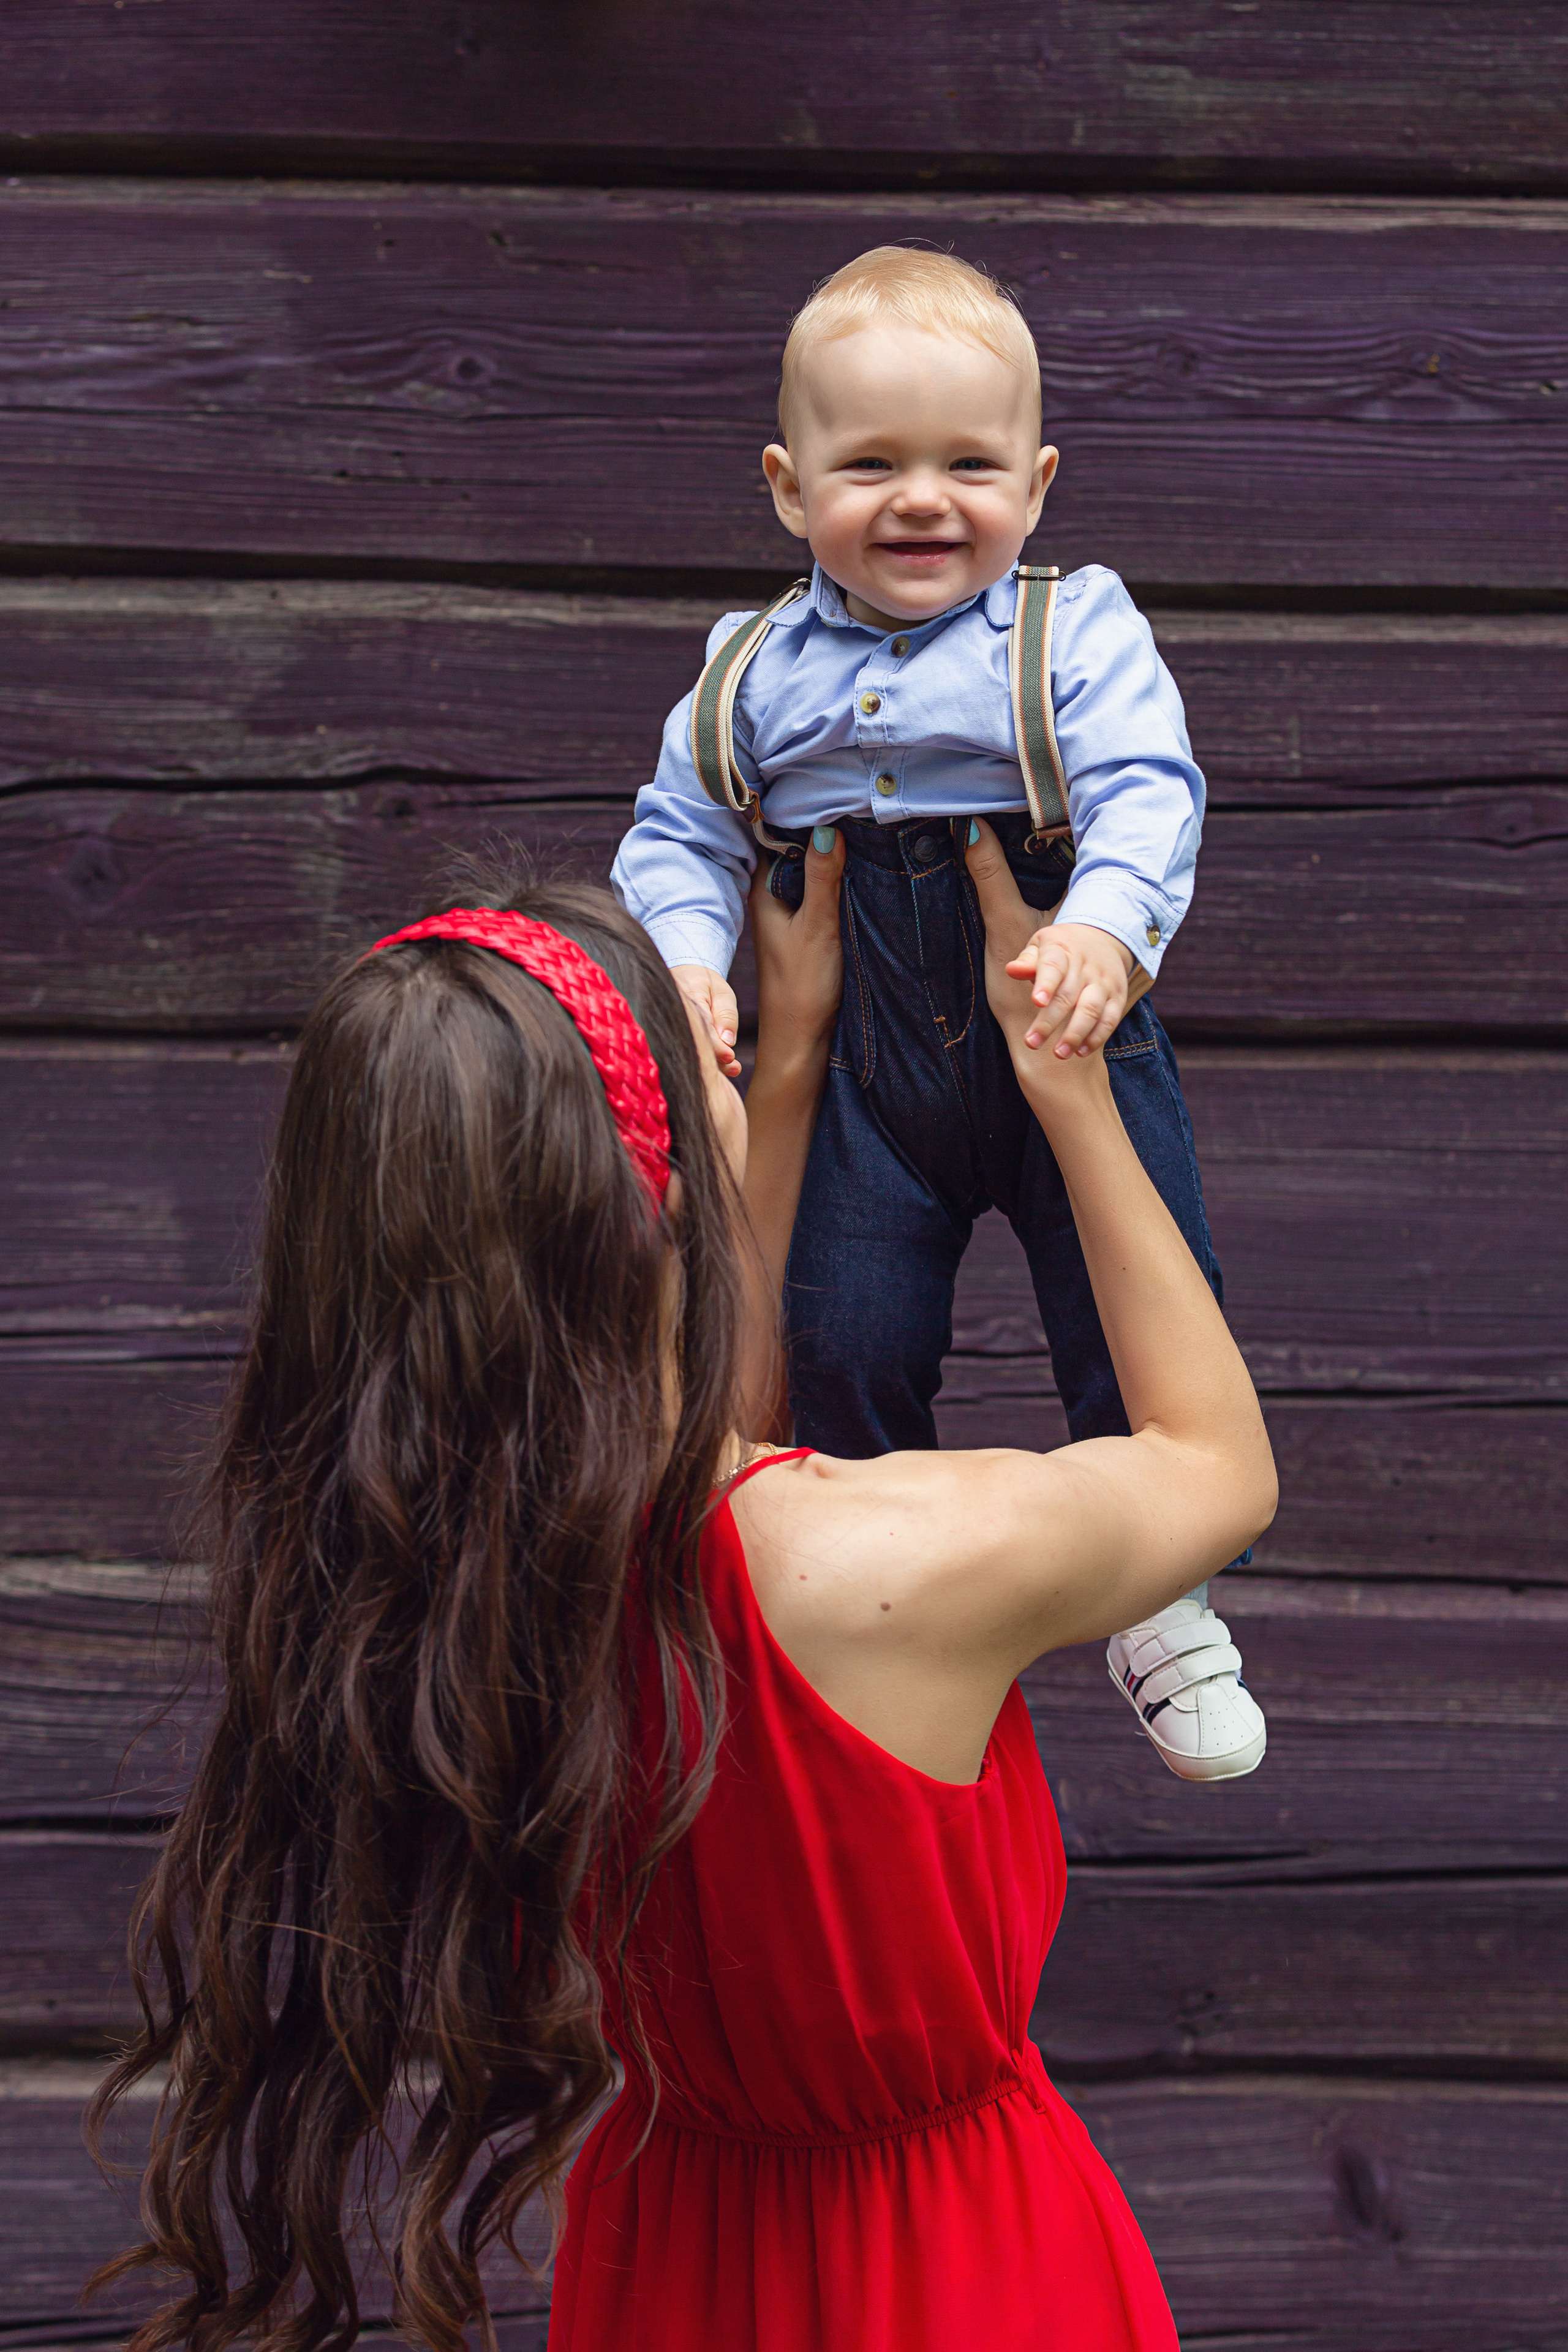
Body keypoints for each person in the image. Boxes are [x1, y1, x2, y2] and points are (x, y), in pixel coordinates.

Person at [89, 834, 1275, 2352]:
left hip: (668, 2261)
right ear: (643, 1192)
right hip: (960, 2268)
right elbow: (1213, 1464)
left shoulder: (446, 1590)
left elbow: (692, 1396)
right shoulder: (888, 1561)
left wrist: (774, 1079)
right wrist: (1064, 1089)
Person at [612, 244, 1266, 1782]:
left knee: (1133, 1290)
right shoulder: (747, 668)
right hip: (850, 1064)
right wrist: (688, 961)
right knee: (839, 1321)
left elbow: (1141, 792)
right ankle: (859, 1585)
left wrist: (1103, 927)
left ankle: (1162, 1599)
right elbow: (679, 837)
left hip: (1054, 1004)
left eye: (969, 464)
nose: (923, 499)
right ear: (787, 488)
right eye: (871, 465)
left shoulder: (1073, 628)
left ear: (1035, 486)